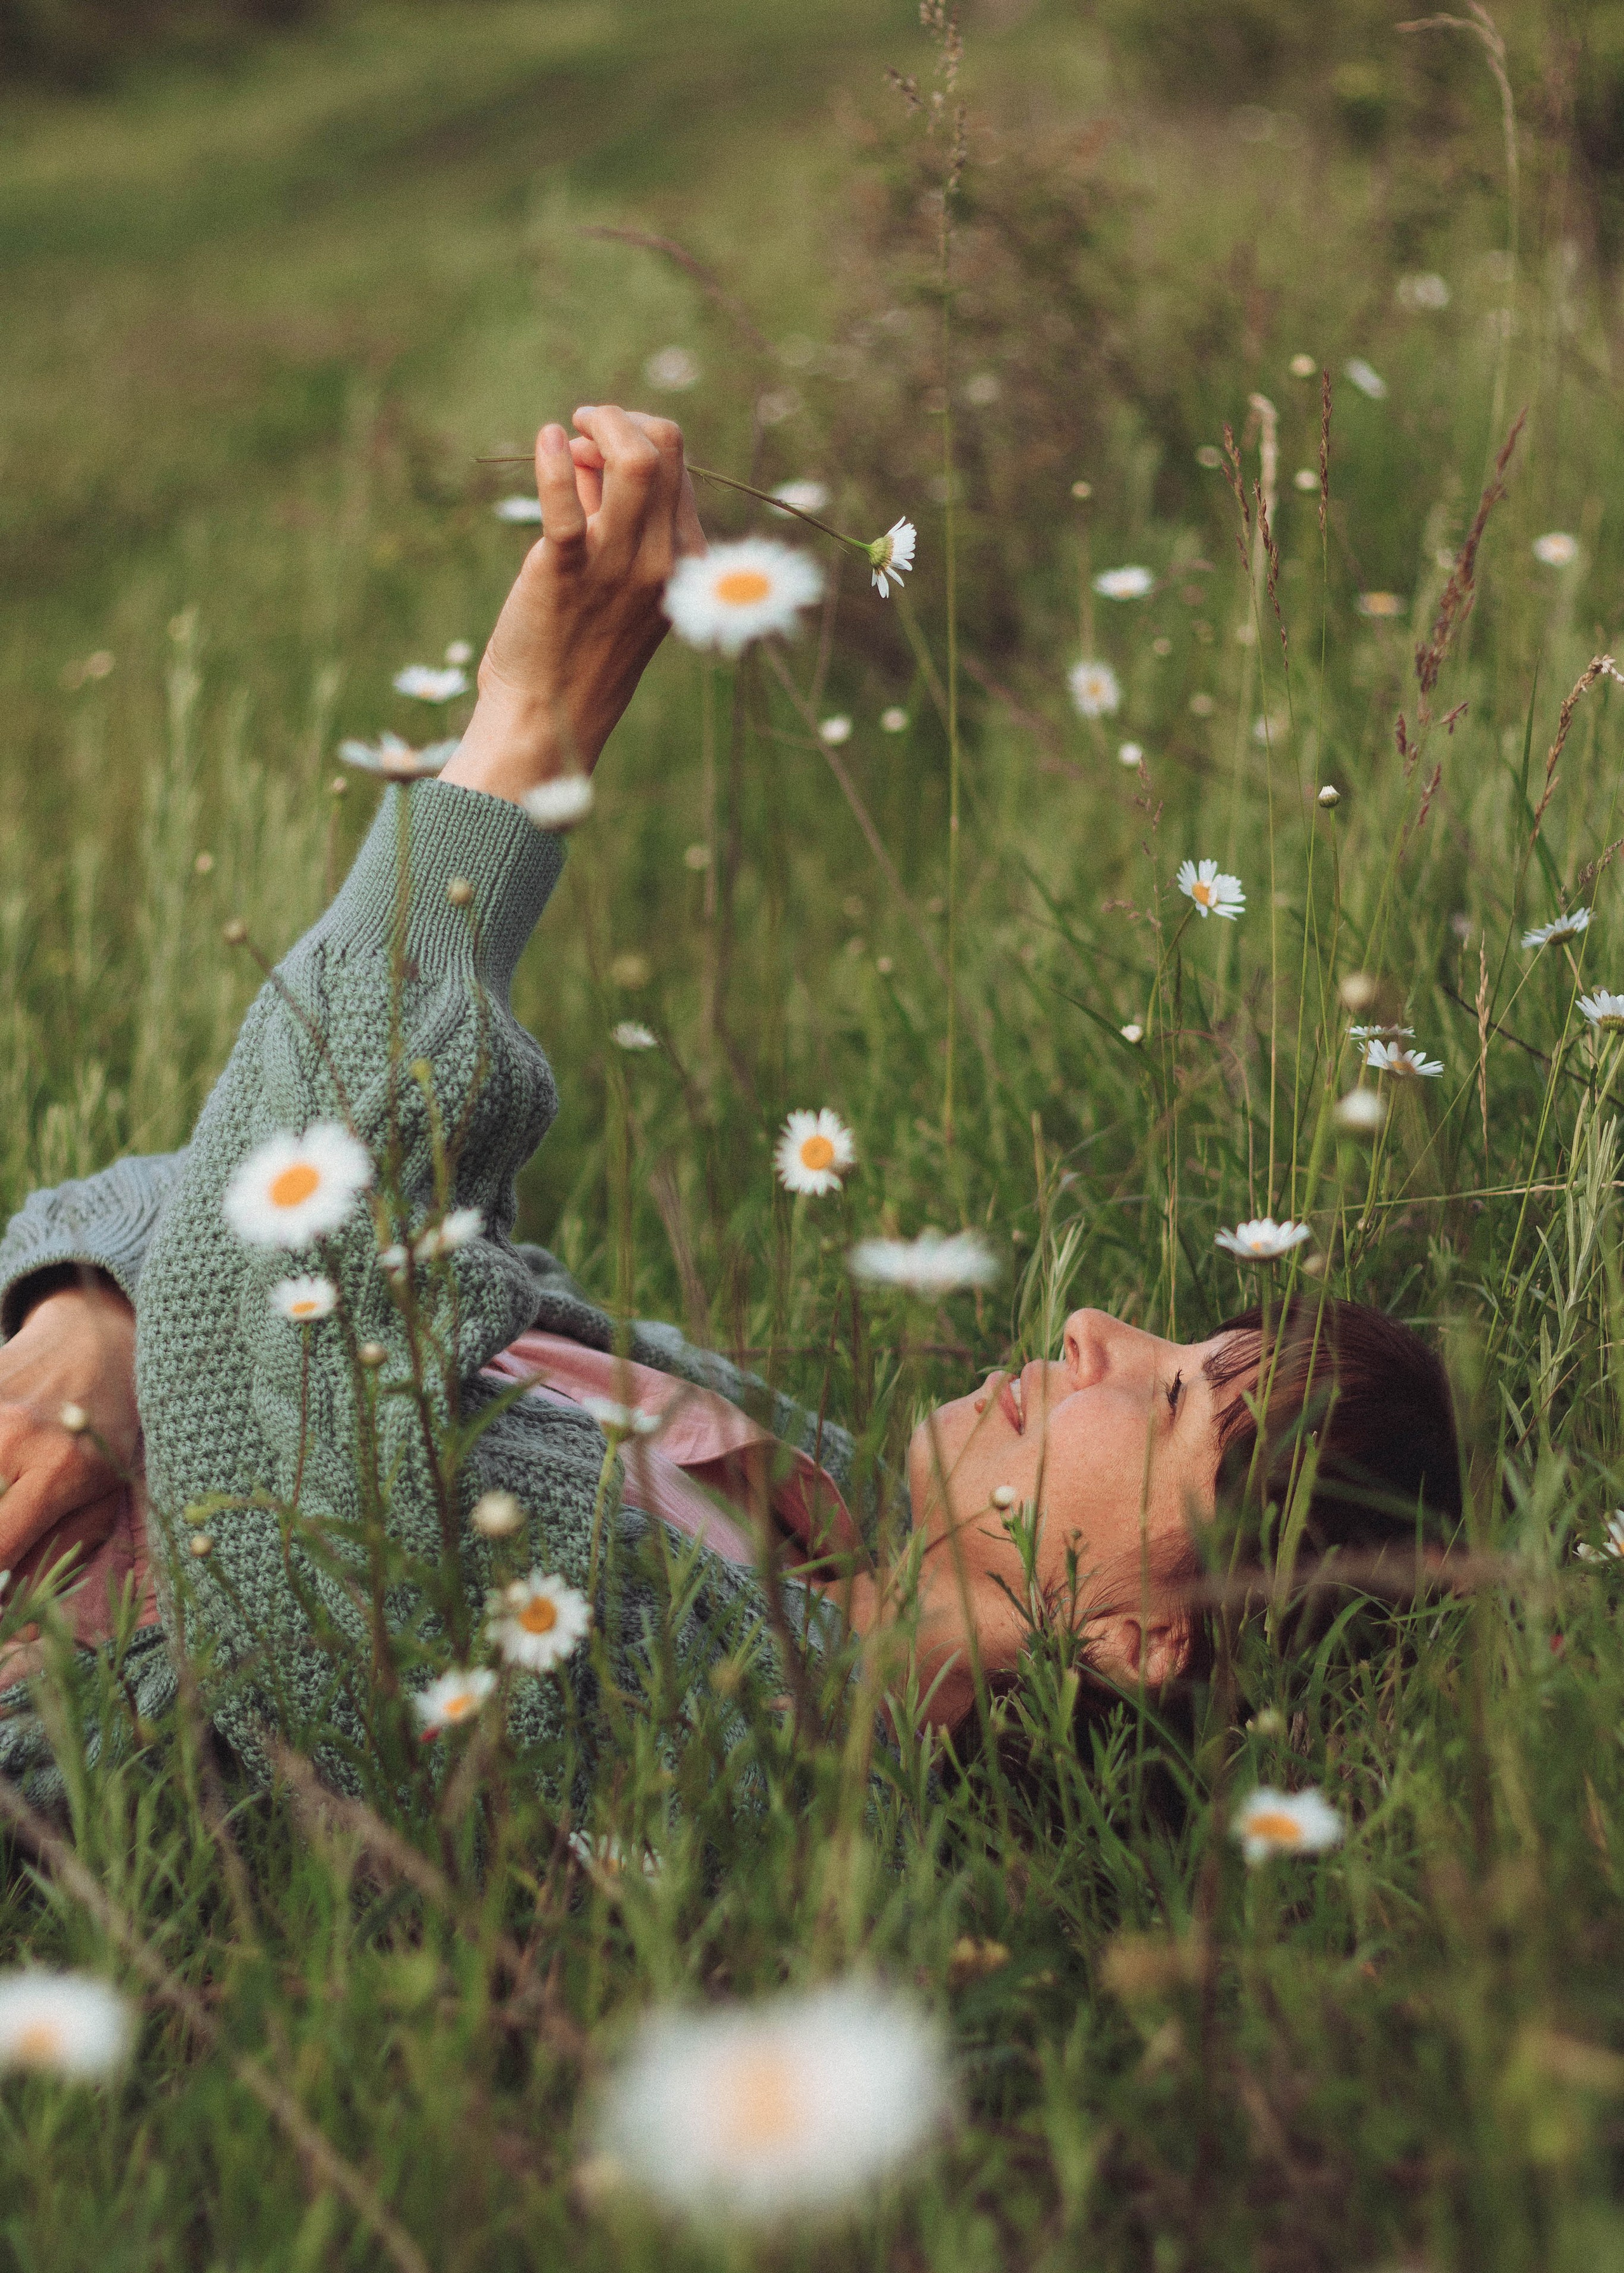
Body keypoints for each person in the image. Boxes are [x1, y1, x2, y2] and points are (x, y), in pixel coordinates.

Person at [0, 405, 1464, 1804]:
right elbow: (222, 1202)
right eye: (1175, 1339)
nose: (1090, 1333)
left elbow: (293, 1490)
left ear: (1142, 1642)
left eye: (1171, 1402)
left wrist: (526, 738)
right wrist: (103, 1314)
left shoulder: (750, 1763)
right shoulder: (783, 1469)